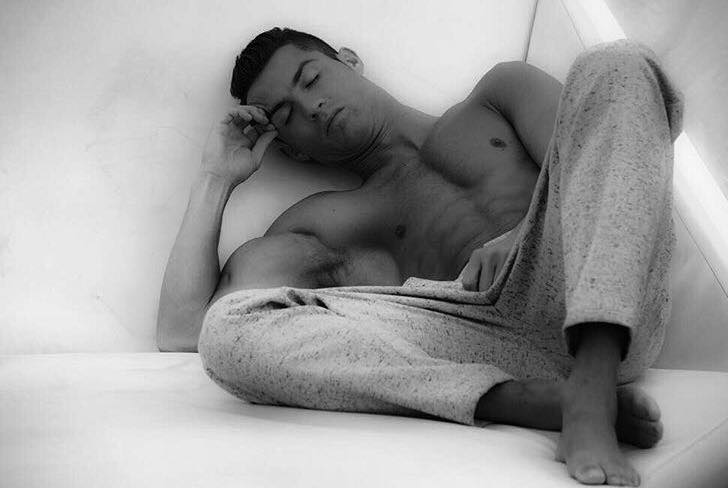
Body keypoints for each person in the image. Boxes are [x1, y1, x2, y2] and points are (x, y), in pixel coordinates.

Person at [157, 27, 682, 486]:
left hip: (592, 284)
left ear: (349, 60)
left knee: (618, 64)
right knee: (230, 328)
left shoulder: (501, 93)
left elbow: (598, 159)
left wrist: (523, 231)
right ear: (291, 149)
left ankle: (593, 378)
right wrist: (215, 178)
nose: (311, 107)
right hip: (481, 340)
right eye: (286, 115)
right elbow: (186, 329)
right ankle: (529, 401)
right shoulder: (329, 222)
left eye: (311, 79)